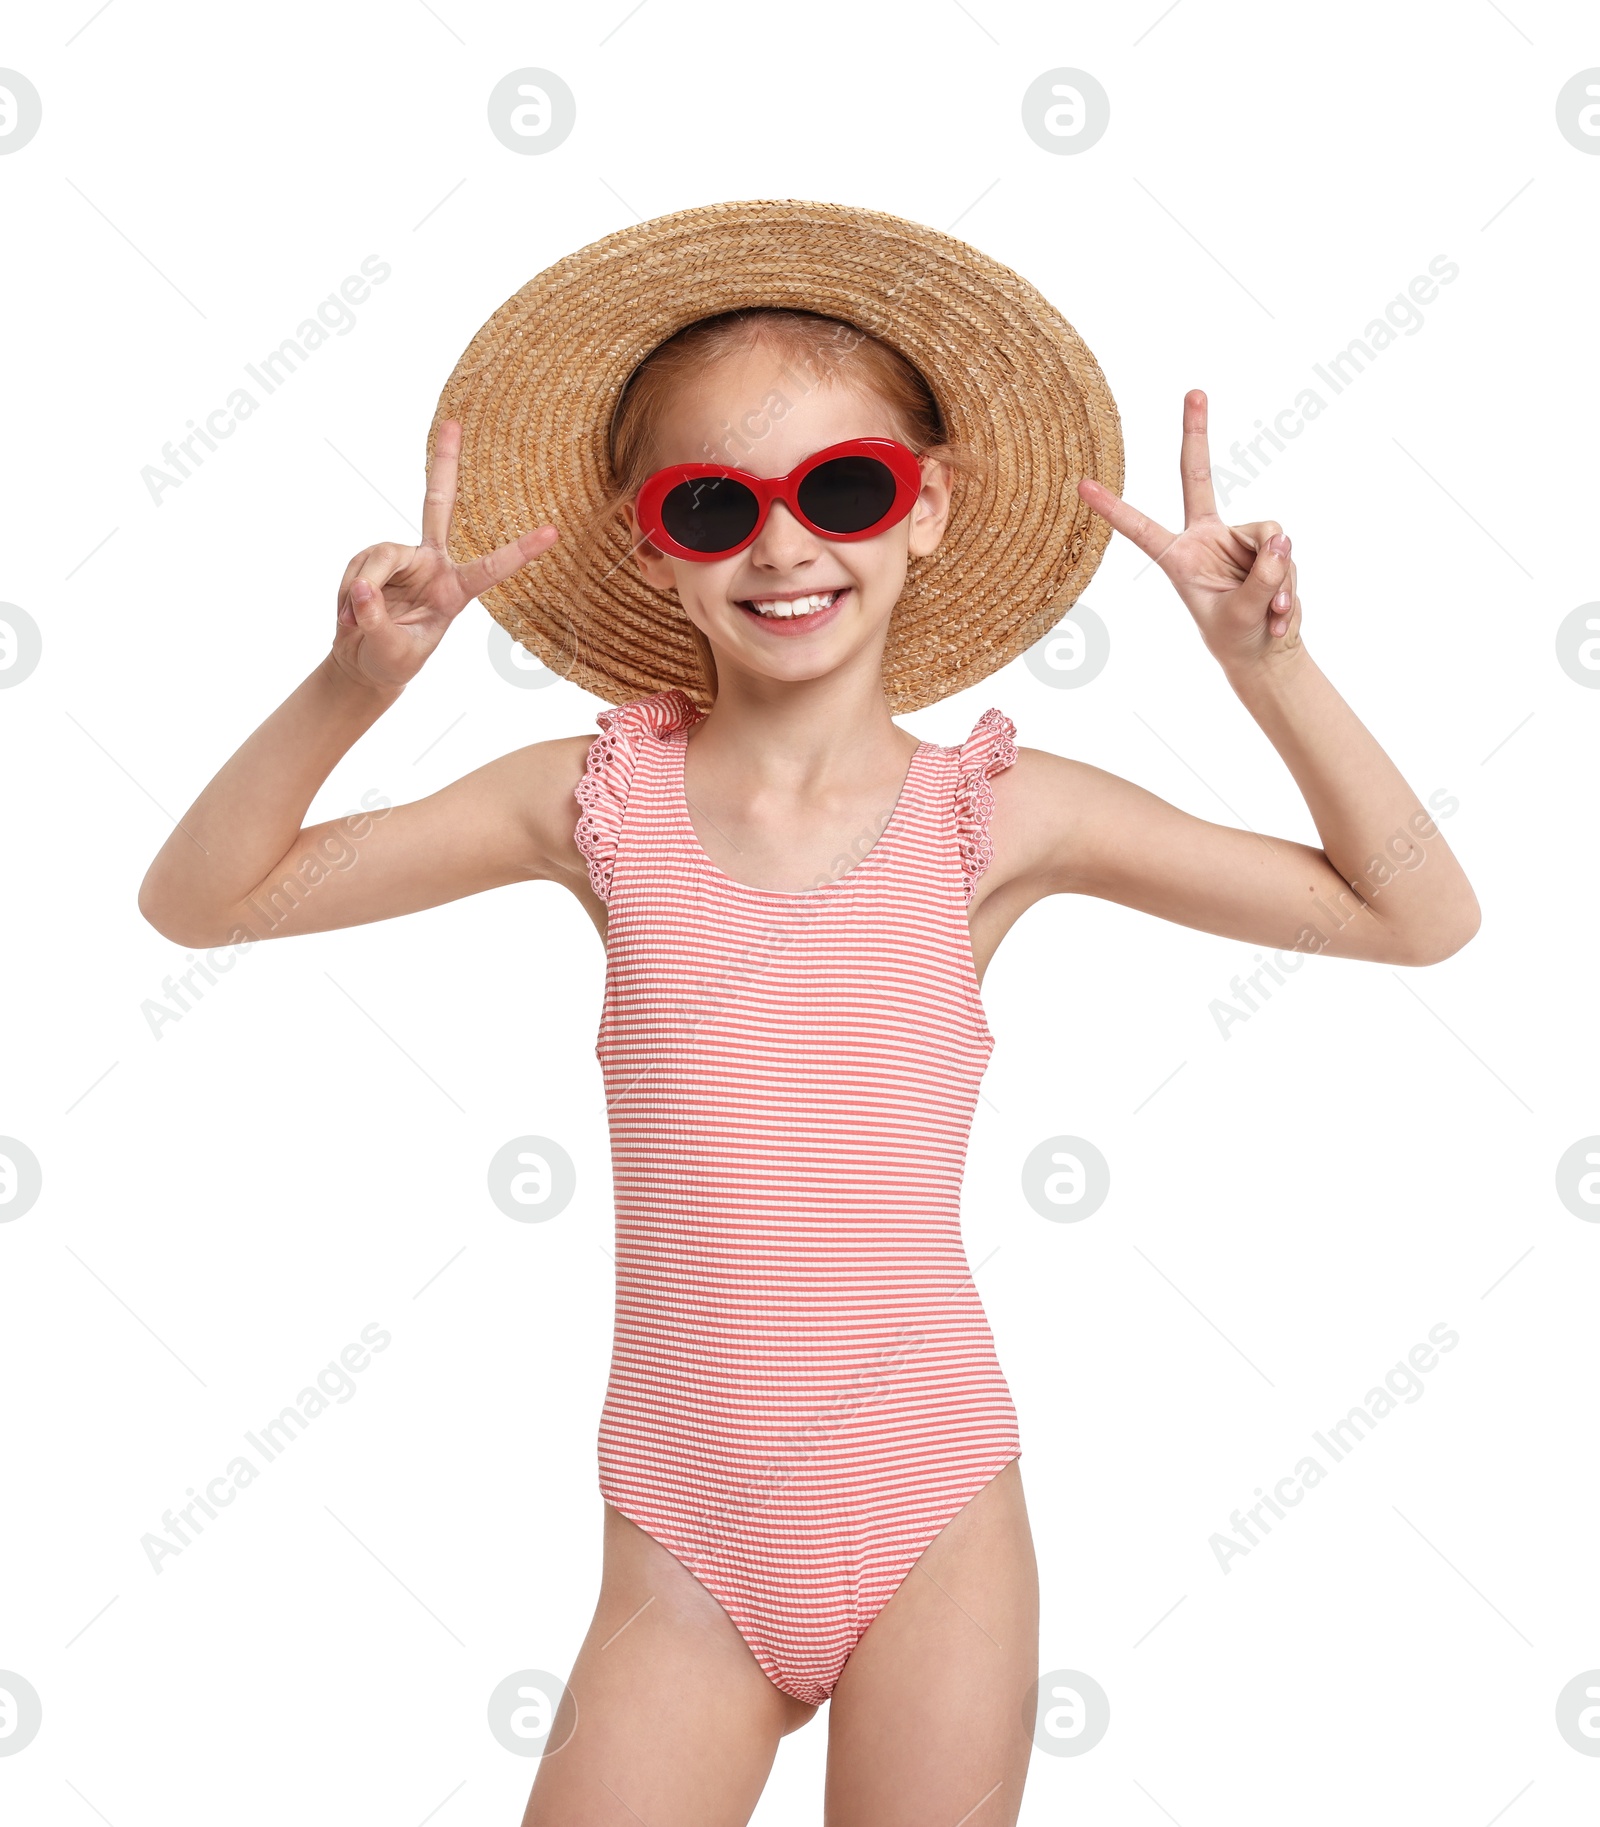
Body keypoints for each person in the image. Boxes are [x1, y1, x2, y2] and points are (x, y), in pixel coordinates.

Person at [138, 202, 1480, 1827]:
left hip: (930, 1515)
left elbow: (1417, 912)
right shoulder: (587, 804)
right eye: (716, 506)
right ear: (653, 543)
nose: (786, 548)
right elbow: (203, 897)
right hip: (681, 1554)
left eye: (845, 489)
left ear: (928, 512)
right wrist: (352, 686)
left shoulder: (997, 814)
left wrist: (1267, 670)